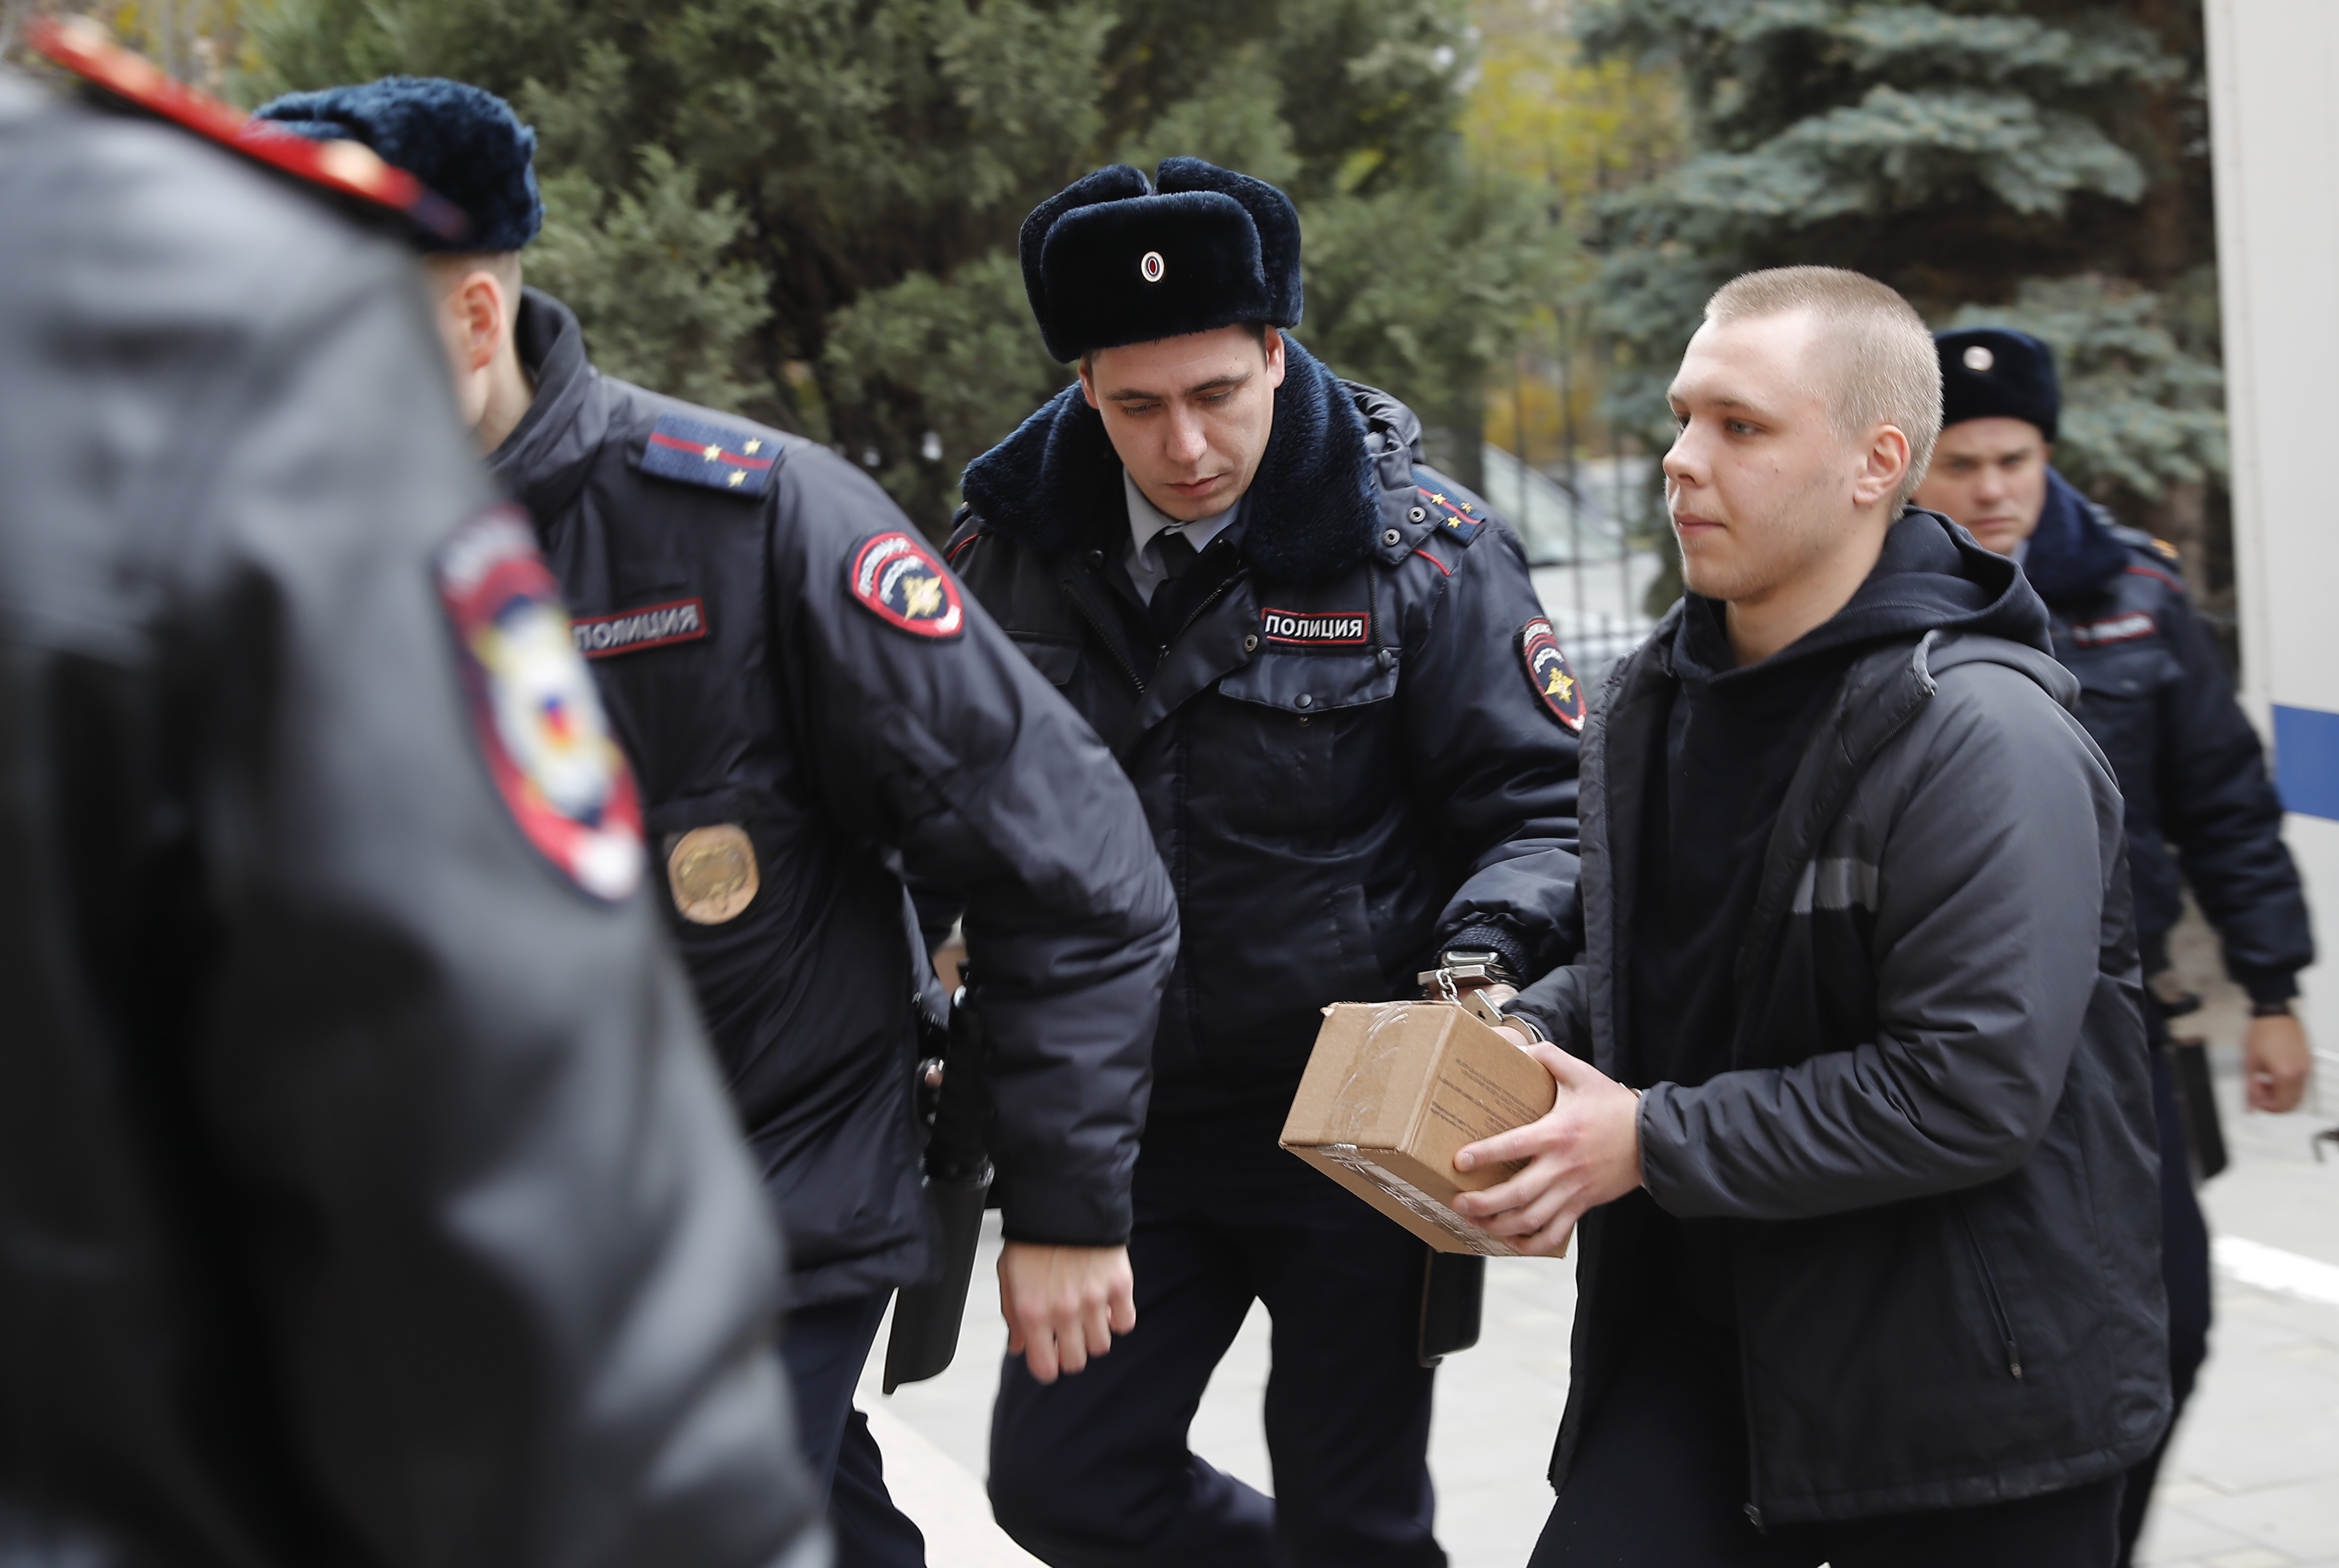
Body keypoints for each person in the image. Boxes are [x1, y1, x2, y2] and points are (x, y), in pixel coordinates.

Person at [251, 76, 1181, 1568]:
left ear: (474, 320)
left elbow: (1071, 866)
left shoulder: (753, 528)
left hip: (758, 1210)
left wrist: (1067, 1201)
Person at [0, 27, 823, 1568]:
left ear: (478, 306)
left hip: (803, 1185)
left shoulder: (750, 508)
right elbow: (521, 1247)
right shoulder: (168, 323)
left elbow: (1054, 835)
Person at [1461, 267, 2170, 1567]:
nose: (1680, 462)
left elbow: (1967, 1086)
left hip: (1962, 1408)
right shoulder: (1646, 703)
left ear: (1874, 463)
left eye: (1740, 428)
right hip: (1700, 1355)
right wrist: (1535, 1038)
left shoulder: (1984, 735)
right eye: (1682, 418)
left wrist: (1645, 1141)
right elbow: (1674, 976)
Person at [944, 158, 1584, 1568]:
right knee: (1062, 1485)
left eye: (1218, 395)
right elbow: (929, 812)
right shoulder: (1000, 558)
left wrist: (1478, 963)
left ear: (1276, 355)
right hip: (1118, 1124)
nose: (1183, 445)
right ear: (1084, 387)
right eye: (1137, 406)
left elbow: (1545, 809)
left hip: (1348, 1119)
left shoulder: (1424, 553)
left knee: (1357, 1514)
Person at [1911, 325, 2316, 1560]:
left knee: (2172, 1321)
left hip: (2122, 1040)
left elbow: (2226, 804)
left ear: (2046, 456)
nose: (1990, 489)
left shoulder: (2135, 599)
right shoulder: (1870, 605)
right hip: (1941, 1040)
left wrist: (2274, 989)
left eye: (2013, 460)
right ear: (1910, 463)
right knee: (1977, 1341)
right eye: (1963, 462)